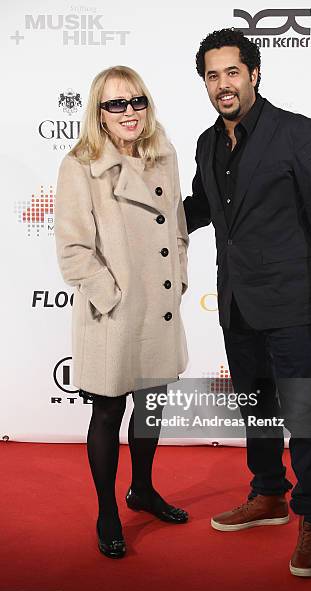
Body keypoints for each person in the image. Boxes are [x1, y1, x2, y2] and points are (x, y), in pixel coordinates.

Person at [183, 29, 311, 577]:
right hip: (237, 301)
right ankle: (268, 495)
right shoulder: (208, 143)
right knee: (255, 406)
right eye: (212, 76)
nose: (222, 85)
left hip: (293, 300)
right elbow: (201, 208)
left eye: (231, 72)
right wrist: (140, 219)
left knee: (301, 411)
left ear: (254, 74)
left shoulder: (298, 133)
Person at [55, 65, 189, 559]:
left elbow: (176, 225)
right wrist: (112, 296)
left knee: (151, 405)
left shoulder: (164, 154)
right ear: (99, 113)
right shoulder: (80, 165)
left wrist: (178, 279)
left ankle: (144, 490)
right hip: (112, 311)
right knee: (109, 409)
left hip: (159, 305)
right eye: (116, 104)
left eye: (136, 101)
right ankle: (108, 510)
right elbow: (73, 250)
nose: (129, 112)